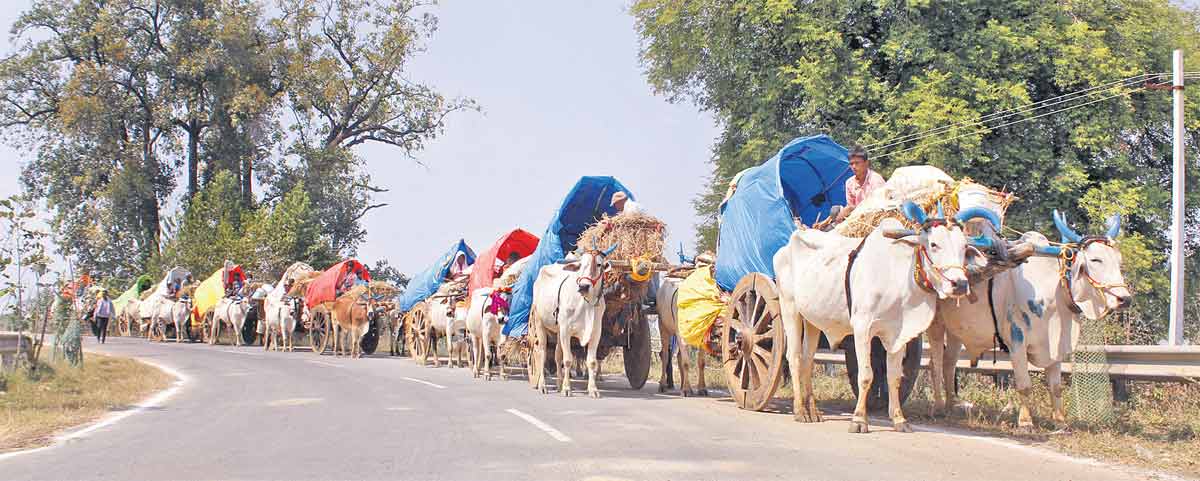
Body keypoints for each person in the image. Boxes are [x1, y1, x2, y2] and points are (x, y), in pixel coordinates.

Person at [835, 146, 886, 222]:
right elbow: (850, 205)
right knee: (835, 211)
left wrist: (853, 208)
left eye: (857, 163)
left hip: (875, 218)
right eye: (851, 164)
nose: (854, 167)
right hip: (857, 219)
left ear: (866, 163)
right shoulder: (849, 182)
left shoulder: (876, 180)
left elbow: (879, 206)